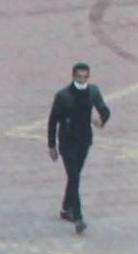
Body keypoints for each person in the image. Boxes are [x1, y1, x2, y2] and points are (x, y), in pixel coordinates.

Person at [47, 63, 111, 231]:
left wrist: (102, 120)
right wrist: (52, 145)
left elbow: (105, 110)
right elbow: (53, 121)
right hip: (67, 142)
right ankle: (78, 217)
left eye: (85, 77)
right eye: (79, 76)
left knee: (74, 176)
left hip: (83, 140)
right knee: (74, 177)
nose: (82, 80)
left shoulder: (92, 92)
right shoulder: (63, 96)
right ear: (73, 76)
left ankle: (65, 208)